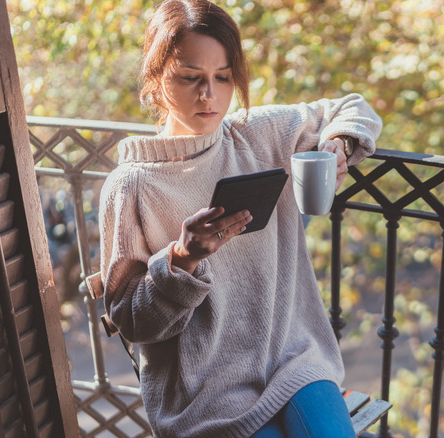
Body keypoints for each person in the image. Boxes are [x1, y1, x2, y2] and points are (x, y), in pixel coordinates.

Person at [98, 0, 382, 437]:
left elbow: (352, 106)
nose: (208, 95)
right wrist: (181, 260)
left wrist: (339, 143)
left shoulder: (258, 133)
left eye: (223, 77)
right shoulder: (131, 187)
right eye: (191, 78)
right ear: (155, 81)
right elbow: (133, 323)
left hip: (294, 360)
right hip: (205, 394)